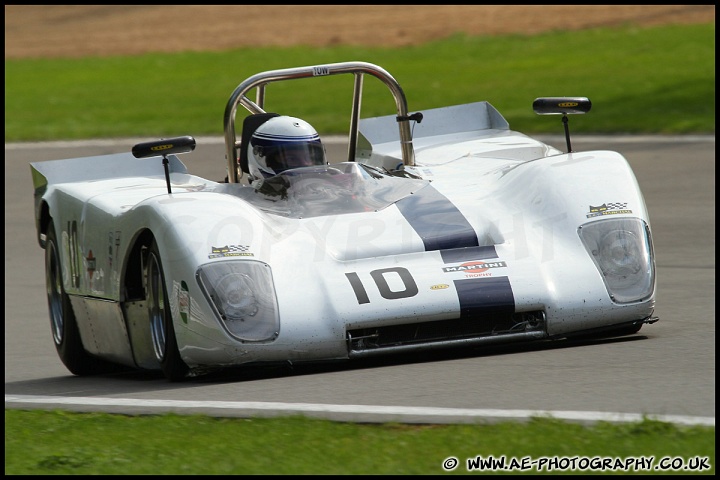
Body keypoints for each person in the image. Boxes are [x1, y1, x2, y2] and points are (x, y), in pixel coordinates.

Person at [247, 116, 327, 182]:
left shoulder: (334, 191)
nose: (306, 164)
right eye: (291, 159)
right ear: (261, 159)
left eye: (310, 157)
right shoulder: (246, 201)